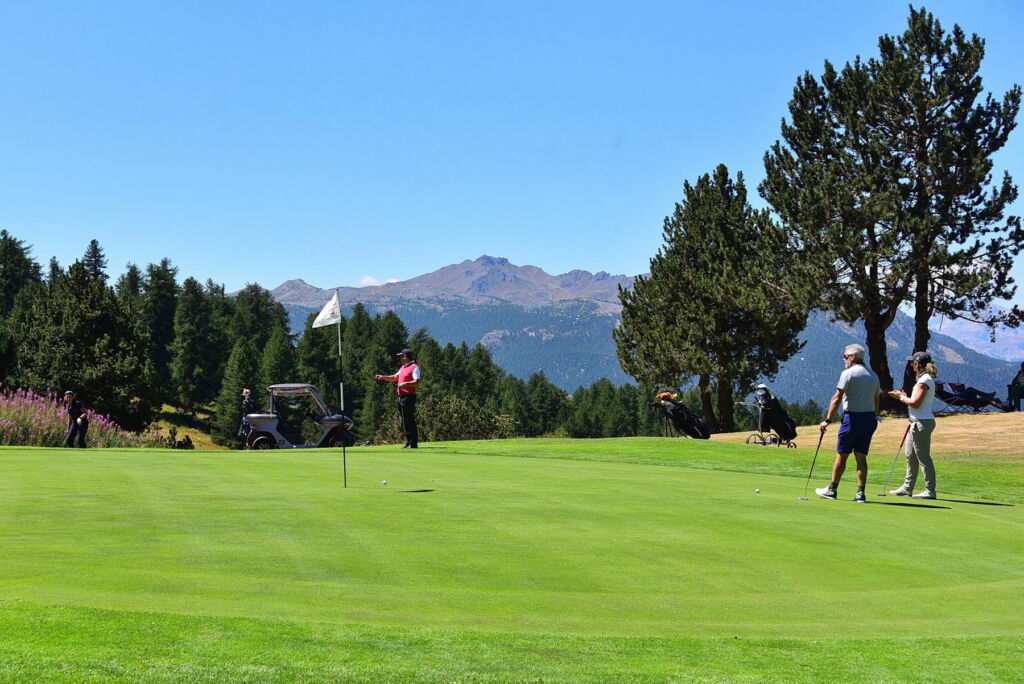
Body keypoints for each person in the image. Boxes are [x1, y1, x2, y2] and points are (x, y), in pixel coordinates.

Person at [815, 343, 880, 502]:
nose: (844, 359)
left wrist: (827, 420)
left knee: (842, 455)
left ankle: (832, 490)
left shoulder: (848, 373)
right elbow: (876, 399)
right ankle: (860, 494)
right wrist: (874, 416)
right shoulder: (873, 375)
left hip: (852, 419)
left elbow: (836, 398)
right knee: (861, 457)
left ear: (853, 357)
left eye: (845, 356)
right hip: (869, 419)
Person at [886, 351, 939, 499]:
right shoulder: (923, 379)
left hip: (922, 422)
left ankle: (930, 490)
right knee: (910, 455)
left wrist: (901, 397)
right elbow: (915, 401)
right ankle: (907, 487)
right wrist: (903, 397)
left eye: (912, 363)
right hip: (916, 422)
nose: (911, 365)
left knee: (923, 457)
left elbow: (915, 403)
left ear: (917, 364)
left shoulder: (925, 380)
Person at [375, 348, 420, 448]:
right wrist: (383, 377)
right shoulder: (403, 367)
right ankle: (408, 441)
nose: (400, 358)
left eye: (401, 356)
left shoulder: (414, 367)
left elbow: (417, 382)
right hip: (402, 397)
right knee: (404, 420)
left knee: (410, 419)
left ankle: (413, 443)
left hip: (409, 397)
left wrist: (405, 384)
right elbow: (395, 377)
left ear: (406, 357)